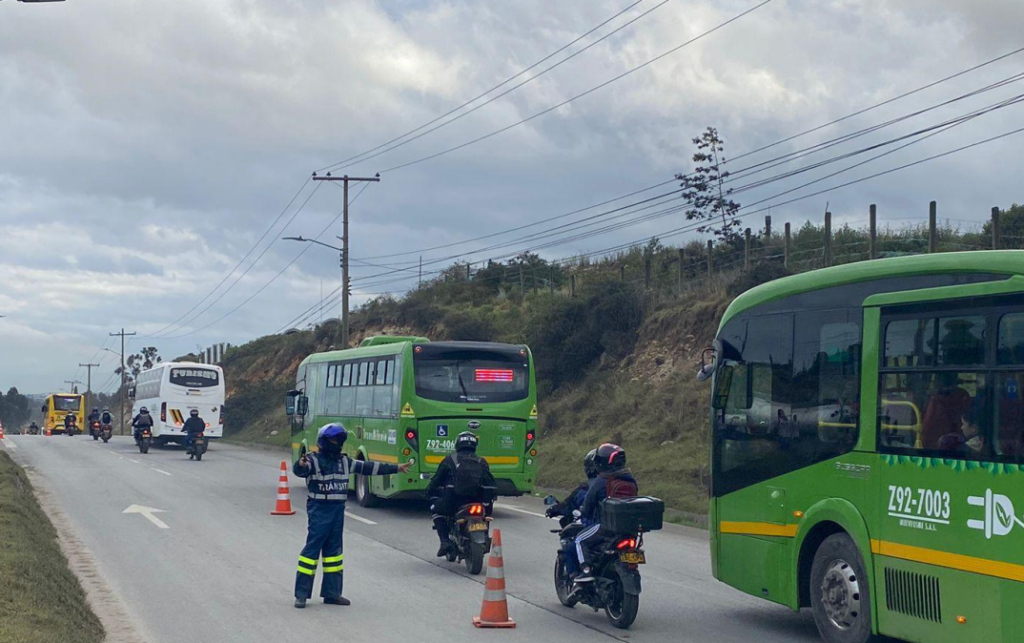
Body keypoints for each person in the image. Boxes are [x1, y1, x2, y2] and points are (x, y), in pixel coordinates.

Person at [292, 423, 410, 609]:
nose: (336, 443)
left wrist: (397, 468)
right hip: (319, 510)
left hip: (338, 512)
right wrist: (300, 464)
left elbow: (370, 467)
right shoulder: (313, 460)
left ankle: (332, 594)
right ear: (324, 442)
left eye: (339, 440)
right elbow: (299, 471)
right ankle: (301, 595)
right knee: (311, 553)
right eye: (333, 440)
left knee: (334, 555)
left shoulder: (345, 462)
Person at [574, 443, 638, 583]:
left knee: (579, 540)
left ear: (601, 462)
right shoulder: (630, 479)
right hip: (628, 529)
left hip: (605, 527)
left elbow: (588, 506)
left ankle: (586, 571)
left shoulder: (600, 481)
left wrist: (583, 513)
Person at [427, 431, 497, 558]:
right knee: (485, 514)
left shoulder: (450, 460)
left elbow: (437, 479)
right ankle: (485, 536)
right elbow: (489, 481)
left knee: (435, 509)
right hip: (479, 502)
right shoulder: (481, 461)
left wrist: (429, 492)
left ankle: (444, 542)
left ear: (458, 444)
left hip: (454, 501)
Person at [546, 449, 597, 576]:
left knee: (573, 546)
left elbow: (569, 504)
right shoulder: (621, 483)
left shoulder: (590, 487)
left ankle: (580, 575)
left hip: (597, 527)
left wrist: (554, 509)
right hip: (620, 531)